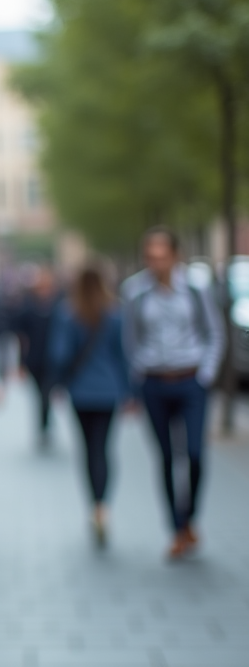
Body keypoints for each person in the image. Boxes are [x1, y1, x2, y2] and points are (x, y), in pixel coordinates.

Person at [122, 226, 224, 559]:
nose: (155, 261)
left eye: (161, 255)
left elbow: (214, 333)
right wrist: (137, 375)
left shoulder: (196, 289)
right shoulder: (135, 292)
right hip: (154, 383)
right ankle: (177, 528)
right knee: (166, 457)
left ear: (175, 256)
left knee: (194, 454)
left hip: (190, 380)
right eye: (150, 256)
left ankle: (189, 516)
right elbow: (130, 339)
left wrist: (205, 374)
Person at [48, 265, 129, 547]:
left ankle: (93, 505)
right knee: (104, 448)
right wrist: (129, 391)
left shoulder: (68, 312)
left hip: (81, 391)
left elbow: (59, 354)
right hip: (109, 390)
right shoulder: (115, 312)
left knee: (88, 449)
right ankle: (103, 506)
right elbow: (123, 354)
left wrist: (58, 381)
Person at [14, 265, 59, 448]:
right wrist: (21, 363)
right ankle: (44, 425)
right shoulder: (28, 309)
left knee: (46, 394)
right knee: (40, 395)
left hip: (54, 360)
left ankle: (46, 423)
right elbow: (21, 338)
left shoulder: (59, 308)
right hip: (34, 360)